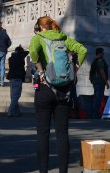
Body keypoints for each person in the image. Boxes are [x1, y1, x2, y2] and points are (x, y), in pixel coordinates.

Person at [30, 16, 87, 173]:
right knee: (62, 133)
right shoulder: (64, 38)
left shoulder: (38, 38)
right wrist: (75, 70)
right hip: (64, 90)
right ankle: (63, 171)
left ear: (42, 27)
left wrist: (41, 70)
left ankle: (43, 170)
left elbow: (33, 53)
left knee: (43, 133)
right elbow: (83, 50)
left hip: (44, 89)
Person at [7, 45, 29, 117]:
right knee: (16, 96)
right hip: (17, 78)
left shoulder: (11, 58)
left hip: (11, 79)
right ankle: (10, 112)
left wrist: (17, 52)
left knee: (13, 96)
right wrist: (20, 51)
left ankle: (17, 112)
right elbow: (27, 52)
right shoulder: (20, 57)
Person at [89, 47, 109, 118]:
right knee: (98, 97)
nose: (103, 54)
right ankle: (95, 114)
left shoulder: (94, 60)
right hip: (99, 81)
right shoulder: (100, 60)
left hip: (95, 81)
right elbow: (102, 71)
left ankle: (94, 113)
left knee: (97, 97)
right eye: (102, 53)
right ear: (100, 53)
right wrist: (106, 81)